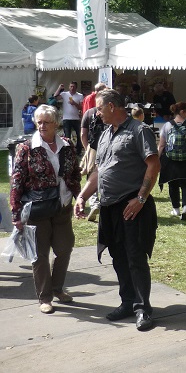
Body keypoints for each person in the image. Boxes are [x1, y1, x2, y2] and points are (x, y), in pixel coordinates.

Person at [74, 88, 160, 331]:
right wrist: (82, 196)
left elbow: (153, 165)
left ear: (112, 106)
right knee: (118, 256)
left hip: (132, 205)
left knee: (135, 257)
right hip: (109, 206)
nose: (96, 113)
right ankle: (128, 302)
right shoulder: (104, 134)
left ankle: (143, 309)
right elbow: (99, 170)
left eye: (99, 108)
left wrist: (141, 198)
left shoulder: (139, 130)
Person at [10, 104, 82, 314]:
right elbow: (16, 182)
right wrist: (16, 213)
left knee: (64, 248)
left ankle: (58, 288)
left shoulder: (67, 145)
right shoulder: (26, 148)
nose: (41, 126)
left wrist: (79, 197)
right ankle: (45, 297)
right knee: (40, 254)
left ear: (56, 124)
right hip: (38, 209)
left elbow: (74, 173)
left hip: (62, 206)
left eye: (46, 122)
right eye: (39, 122)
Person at [80, 104, 107, 222]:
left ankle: (94, 203)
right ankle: (105, 203)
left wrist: (87, 149)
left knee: (91, 174)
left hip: (93, 147)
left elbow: (83, 134)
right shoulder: (110, 112)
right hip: (108, 148)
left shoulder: (88, 113)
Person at [54, 81, 84, 153]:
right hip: (66, 118)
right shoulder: (64, 94)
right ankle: (68, 150)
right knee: (67, 136)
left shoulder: (80, 95)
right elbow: (55, 97)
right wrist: (59, 88)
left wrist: (74, 103)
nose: (72, 88)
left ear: (76, 88)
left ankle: (79, 150)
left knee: (79, 135)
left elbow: (81, 107)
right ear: (69, 87)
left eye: (73, 87)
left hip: (76, 118)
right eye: (71, 86)